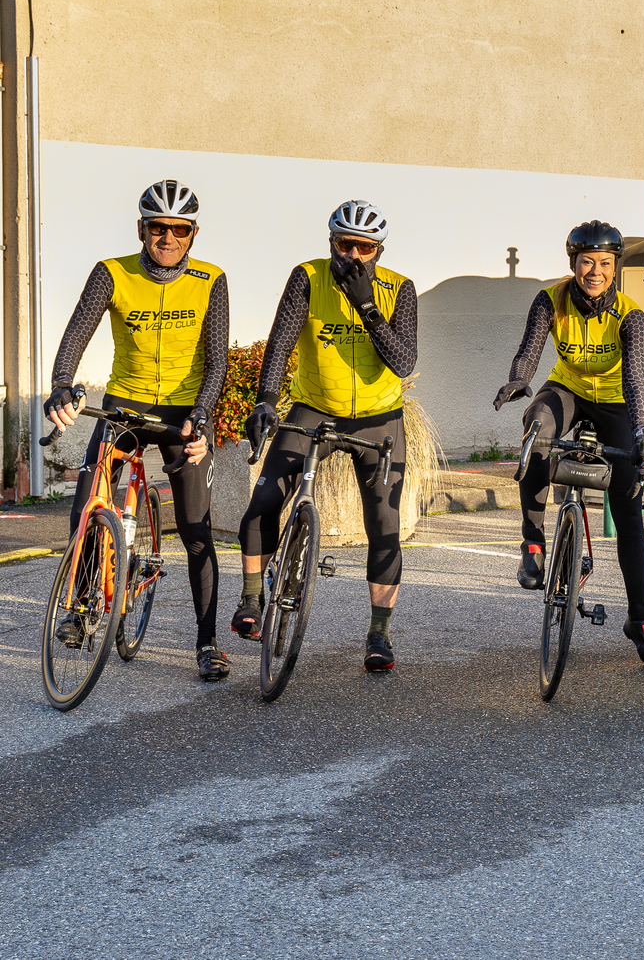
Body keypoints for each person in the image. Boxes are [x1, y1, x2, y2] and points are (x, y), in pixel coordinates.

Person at [45, 179, 228, 680]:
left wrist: (202, 415)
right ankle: (80, 607)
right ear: (141, 229)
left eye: (179, 229)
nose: (168, 238)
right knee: (87, 504)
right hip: (125, 406)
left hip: (183, 415)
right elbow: (76, 333)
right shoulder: (111, 272)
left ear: (193, 234)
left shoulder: (211, 280)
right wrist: (61, 384)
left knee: (195, 530)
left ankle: (207, 643)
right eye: (157, 227)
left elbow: (217, 361)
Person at [233, 201, 417, 673]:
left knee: (384, 526)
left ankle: (379, 634)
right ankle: (251, 598)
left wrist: (367, 306)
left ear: (379, 251)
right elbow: (280, 343)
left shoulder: (399, 288)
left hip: (378, 418)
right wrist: (266, 400)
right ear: (331, 243)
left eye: (365, 248)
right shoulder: (308, 278)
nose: (354, 255)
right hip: (314, 409)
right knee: (264, 500)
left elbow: (404, 362)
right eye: (345, 244)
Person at [495, 220, 644, 667]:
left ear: (615, 266)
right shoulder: (550, 299)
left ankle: (640, 618)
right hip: (567, 389)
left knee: (628, 506)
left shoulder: (629, 314)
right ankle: (533, 546)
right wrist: (519, 380)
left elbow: (634, 381)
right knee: (537, 431)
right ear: (573, 263)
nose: (596, 272)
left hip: (615, 400)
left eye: (605, 263)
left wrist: (643, 433)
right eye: (587, 262)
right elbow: (530, 350)